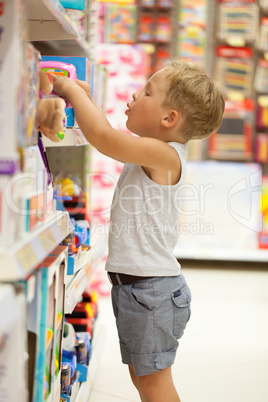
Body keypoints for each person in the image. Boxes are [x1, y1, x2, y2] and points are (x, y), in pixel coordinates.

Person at [52, 58, 225, 402]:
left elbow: (103, 137)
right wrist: (84, 101)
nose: (134, 94)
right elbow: (103, 131)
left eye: (147, 91)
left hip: (151, 294)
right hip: (139, 291)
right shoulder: (154, 150)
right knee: (144, 380)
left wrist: (70, 89)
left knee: (154, 385)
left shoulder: (163, 154)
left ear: (168, 118)